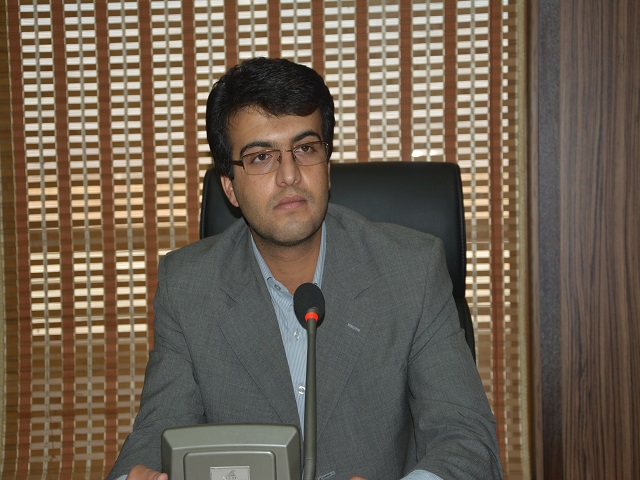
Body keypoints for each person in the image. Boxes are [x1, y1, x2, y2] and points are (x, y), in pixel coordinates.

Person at [107, 57, 503, 480]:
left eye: (306, 149)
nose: (290, 175)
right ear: (230, 187)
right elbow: (156, 436)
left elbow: (466, 440)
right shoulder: (189, 287)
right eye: (261, 157)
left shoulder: (411, 269)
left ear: (327, 168)